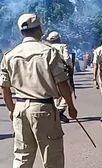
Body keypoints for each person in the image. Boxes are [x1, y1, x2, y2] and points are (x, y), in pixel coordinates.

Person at [0, 13, 77, 168]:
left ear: (21, 32)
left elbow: (4, 87)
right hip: (44, 109)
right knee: (52, 159)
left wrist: (11, 109)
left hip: (20, 109)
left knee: (22, 157)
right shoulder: (48, 52)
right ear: (38, 30)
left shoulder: (9, 55)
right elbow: (62, 83)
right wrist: (71, 106)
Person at [46, 31, 75, 123]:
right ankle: (60, 110)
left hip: (49, 72)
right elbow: (66, 58)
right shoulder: (63, 46)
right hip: (62, 71)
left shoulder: (47, 47)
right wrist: (70, 67)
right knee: (68, 91)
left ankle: (56, 112)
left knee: (55, 94)